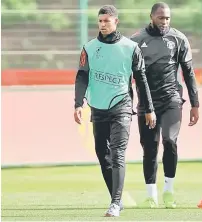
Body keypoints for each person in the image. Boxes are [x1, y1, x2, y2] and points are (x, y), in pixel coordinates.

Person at [74, 5, 156, 217]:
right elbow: (82, 76)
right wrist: (78, 103)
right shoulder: (89, 48)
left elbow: (141, 79)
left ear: (116, 22)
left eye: (106, 21)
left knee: (118, 153)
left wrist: (148, 108)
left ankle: (114, 203)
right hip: (98, 107)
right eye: (100, 21)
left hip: (121, 105)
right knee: (103, 154)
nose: (102, 24)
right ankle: (116, 200)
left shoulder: (131, 48)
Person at [130, 2, 200, 209]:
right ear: (151, 17)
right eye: (161, 18)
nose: (165, 21)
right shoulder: (136, 40)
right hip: (146, 102)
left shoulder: (178, 39)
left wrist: (195, 104)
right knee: (150, 147)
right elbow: (128, 75)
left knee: (170, 141)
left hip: (171, 100)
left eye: (168, 18)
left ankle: (168, 191)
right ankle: (151, 195)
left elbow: (189, 72)